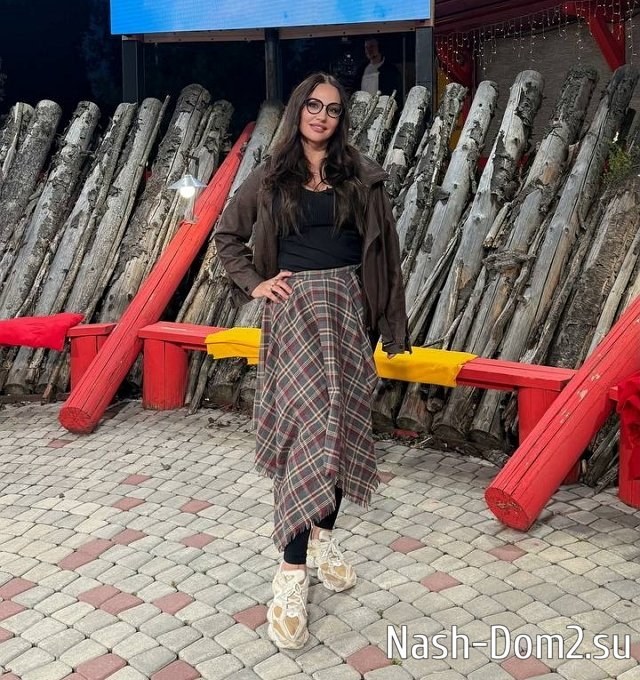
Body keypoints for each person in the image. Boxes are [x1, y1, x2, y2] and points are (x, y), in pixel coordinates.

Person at [214, 72, 410, 650]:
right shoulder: (271, 176)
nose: (322, 116)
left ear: (340, 119)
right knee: (308, 433)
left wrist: (385, 318)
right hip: (294, 312)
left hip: (348, 310)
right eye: (314, 106)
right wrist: (255, 283)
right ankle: (291, 574)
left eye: (333, 109)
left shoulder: (361, 176)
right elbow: (228, 236)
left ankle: (323, 536)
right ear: (299, 109)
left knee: (340, 428)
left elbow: (387, 255)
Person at [356, 37, 402, 104]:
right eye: (366, 47)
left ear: (379, 47)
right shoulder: (361, 70)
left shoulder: (390, 70)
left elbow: (396, 94)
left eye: (372, 46)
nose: (368, 50)